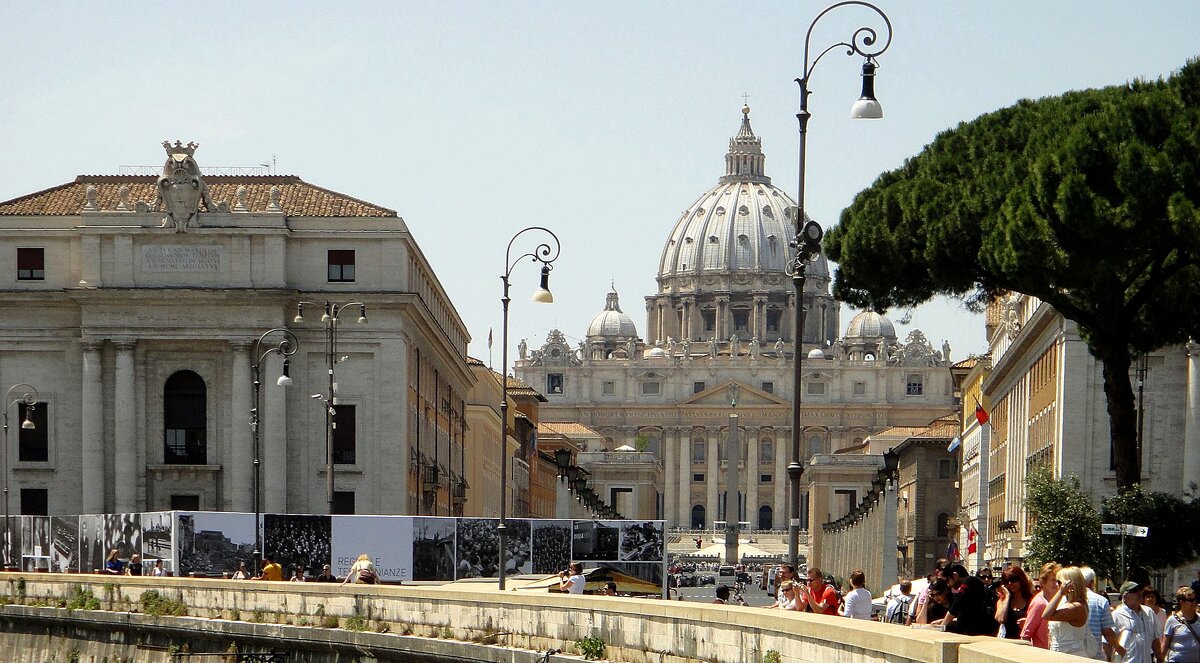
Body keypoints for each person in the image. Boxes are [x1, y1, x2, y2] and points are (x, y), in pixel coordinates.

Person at [1043, 566, 1098, 657]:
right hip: (1058, 654)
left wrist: (1060, 592)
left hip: (1073, 656)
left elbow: (1046, 615)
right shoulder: (1064, 603)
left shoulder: (1077, 607)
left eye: (1060, 582)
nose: (1057, 585)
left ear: (1071, 584)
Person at [938, 564, 999, 635]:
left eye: (948, 580)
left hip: (978, 632)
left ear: (955, 575)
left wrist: (943, 625)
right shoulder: (971, 584)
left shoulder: (969, 581)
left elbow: (956, 605)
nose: (948, 584)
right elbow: (966, 612)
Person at [1112, 580, 1158, 663]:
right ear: (1125, 597)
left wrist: (1160, 659)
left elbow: (1155, 639)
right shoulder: (1116, 615)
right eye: (1134, 591)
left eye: (1140, 590)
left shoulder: (1149, 612)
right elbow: (1108, 643)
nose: (1139, 593)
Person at [1082, 566, 1122, 658]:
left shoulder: (1066, 599)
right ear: (1092, 582)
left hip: (1072, 654)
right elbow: (1107, 631)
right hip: (1095, 655)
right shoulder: (1100, 601)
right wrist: (1120, 649)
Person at [1022, 562, 1062, 648]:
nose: (1056, 584)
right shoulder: (1039, 603)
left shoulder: (1059, 599)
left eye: (1058, 580)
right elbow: (1026, 635)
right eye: (1053, 580)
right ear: (1043, 582)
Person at [1160, 586, 1198, 663]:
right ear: (1181, 602)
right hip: (1177, 660)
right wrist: (1160, 660)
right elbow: (1165, 644)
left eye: (1195, 600)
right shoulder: (1172, 620)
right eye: (1191, 600)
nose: (1194, 602)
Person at [995, 565, 1034, 639]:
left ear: (1021, 580)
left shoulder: (1031, 600)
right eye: (1006, 581)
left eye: (1013, 580)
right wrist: (1007, 597)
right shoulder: (1002, 600)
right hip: (1007, 643)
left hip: (1026, 643)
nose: (1010, 583)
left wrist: (1028, 622)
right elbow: (1001, 619)